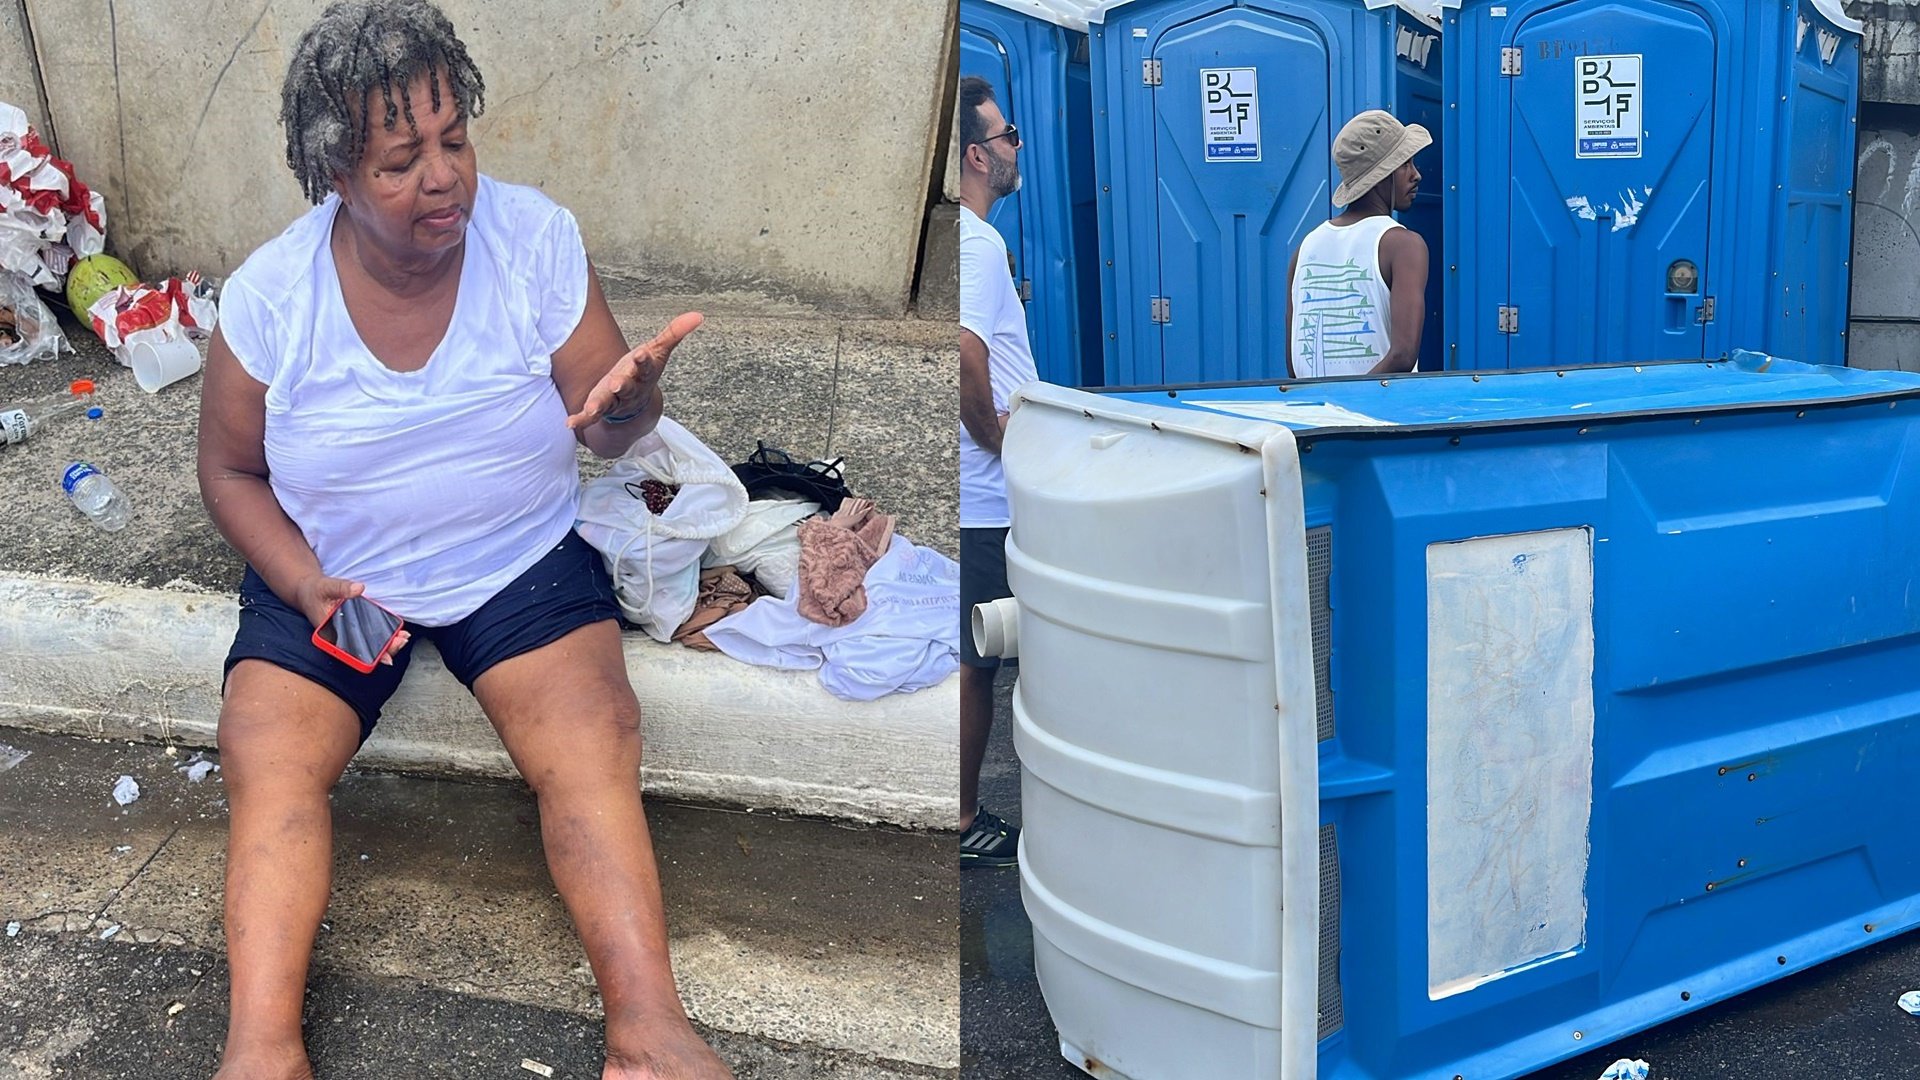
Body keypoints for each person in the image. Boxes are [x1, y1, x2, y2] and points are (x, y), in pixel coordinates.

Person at [194, 2, 731, 1077]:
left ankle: (649, 1033)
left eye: (455, 140)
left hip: (514, 556)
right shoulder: (269, 298)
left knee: (591, 740)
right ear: (334, 174)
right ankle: (261, 1051)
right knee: (269, 758)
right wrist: (302, 585)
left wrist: (632, 410)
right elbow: (230, 471)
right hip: (333, 576)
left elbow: (608, 418)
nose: (443, 178)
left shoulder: (533, 241)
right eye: (401, 159)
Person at [956, 75, 1035, 869]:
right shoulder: (978, 243)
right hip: (987, 497)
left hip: (979, 494)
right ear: (979, 155)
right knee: (981, 664)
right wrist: (996, 436)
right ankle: (964, 816)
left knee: (977, 658)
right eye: (1010, 136)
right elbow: (966, 350)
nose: (1017, 148)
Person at [1285, 109, 1430, 379]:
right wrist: (1349, 403)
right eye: (1405, 164)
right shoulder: (1403, 245)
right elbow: (1403, 355)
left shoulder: (1305, 247)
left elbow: (1295, 364)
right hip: (1380, 416)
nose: (1416, 175)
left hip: (1313, 414)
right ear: (1380, 175)